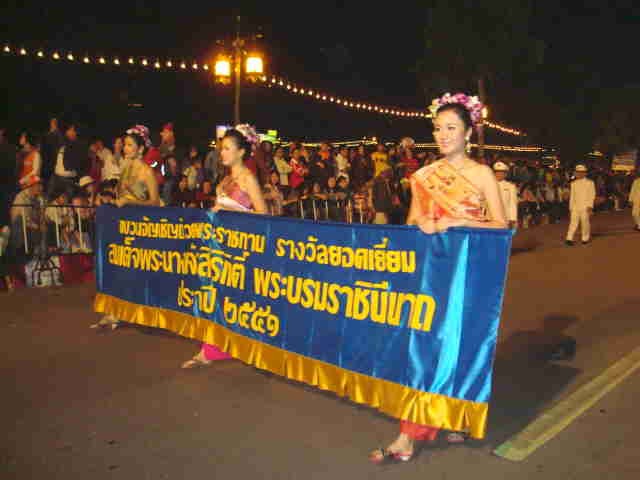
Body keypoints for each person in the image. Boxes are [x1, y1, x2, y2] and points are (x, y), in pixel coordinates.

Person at [369, 93, 506, 465]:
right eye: (437, 128)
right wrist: (423, 224)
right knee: (424, 350)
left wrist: (456, 221)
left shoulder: (482, 174)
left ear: (468, 133)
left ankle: (453, 416)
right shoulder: (425, 176)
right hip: (430, 274)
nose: (443, 135)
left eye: (451, 128)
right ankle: (407, 436)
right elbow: (413, 221)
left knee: (459, 347)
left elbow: (501, 225)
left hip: (467, 275)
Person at [181, 125, 268, 368]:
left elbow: (263, 214)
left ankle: (234, 346)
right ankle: (210, 348)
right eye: (222, 148)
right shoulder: (226, 179)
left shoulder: (248, 178)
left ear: (241, 152)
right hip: (220, 245)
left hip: (239, 249)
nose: (222, 153)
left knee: (236, 299)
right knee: (215, 296)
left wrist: (230, 210)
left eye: (227, 148)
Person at [91, 126, 161, 331]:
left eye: (130, 145)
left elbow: (155, 202)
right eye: (125, 145)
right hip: (124, 226)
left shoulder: (146, 171)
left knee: (139, 272)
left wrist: (131, 201)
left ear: (141, 149)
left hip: (143, 227)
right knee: (119, 269)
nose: (125, 148)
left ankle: (145, 314)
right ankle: (114, 312)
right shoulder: (125, 169)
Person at [48, 124, 88, 199]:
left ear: (76, 132)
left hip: (69, 180)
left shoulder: (80, 144)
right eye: (68, 130)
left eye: (72, 130)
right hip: (56, 177)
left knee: (68, 201)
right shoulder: (62, 144)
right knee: (50, 200)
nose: (69, 132)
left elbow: (81, 163)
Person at [565, 164, 595, 246]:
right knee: (573, 222)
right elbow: (572, 196)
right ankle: (569, 238)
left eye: (581, 172)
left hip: (585, 206)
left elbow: (592, 195)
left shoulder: (590, 183)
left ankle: (585, 238)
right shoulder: (573, 183)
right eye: (578, 172)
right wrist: (570, 208)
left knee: (585, 223)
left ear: (585, 173)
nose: (579, 174)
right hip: (575, 206)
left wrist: (590, 206)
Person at [493, 161, 518, 229]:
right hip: (490, 218)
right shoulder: (488, 185)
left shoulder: (510, 186)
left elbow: (512, 203)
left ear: (505, 174)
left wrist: (512, 219)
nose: (499, 174)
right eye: (497, 172)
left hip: (504, 217)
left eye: (501, 173)